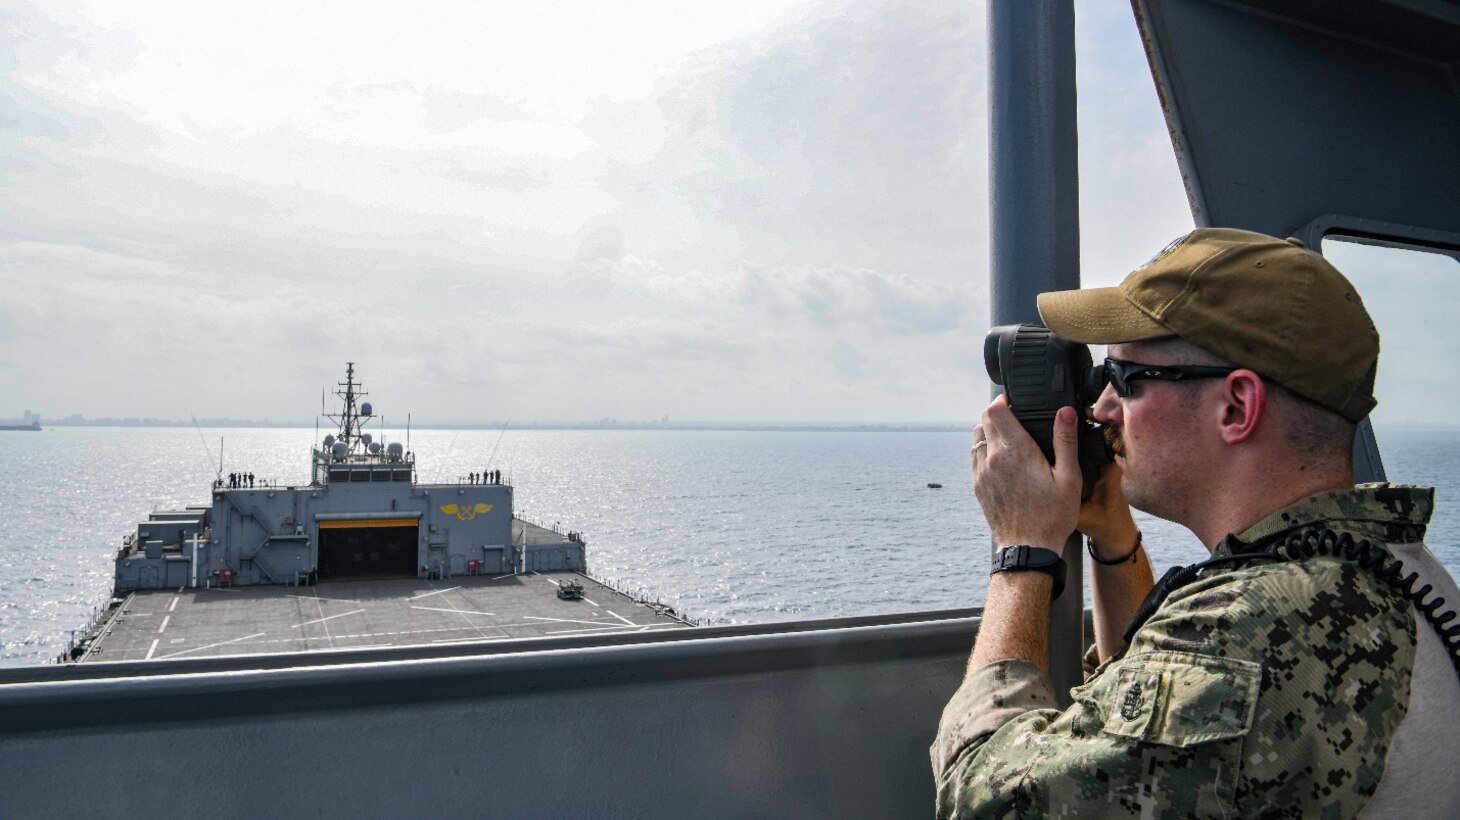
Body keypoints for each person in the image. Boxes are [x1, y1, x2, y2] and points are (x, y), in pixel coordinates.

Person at [933, 228, 1460, 817]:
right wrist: (1113, 537)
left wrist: (1022, 550)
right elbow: (1139, 724)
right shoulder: (1392, 569)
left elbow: (981, 802)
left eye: (1125, 380)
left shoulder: (1251, 629)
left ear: (1236, 406)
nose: (1102, 408)